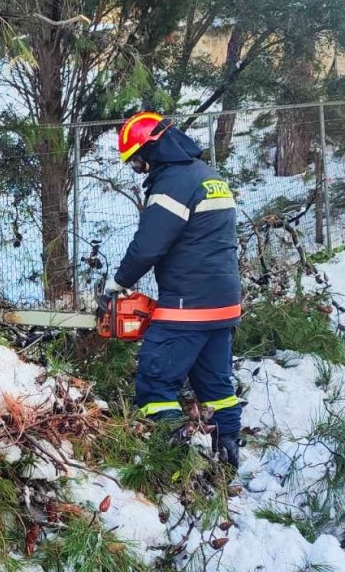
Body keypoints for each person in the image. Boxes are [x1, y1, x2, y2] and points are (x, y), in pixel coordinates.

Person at [102, 111, 243, 469]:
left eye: (138, 161)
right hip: (223, 304)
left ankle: (169, 461)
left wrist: (116, 285)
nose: (141, 169)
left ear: (153, 149)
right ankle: (227, 452)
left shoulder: (172, 185)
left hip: (186, 305)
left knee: (155, 383)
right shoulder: (211, 178)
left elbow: (148, 246)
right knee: (217, 388)